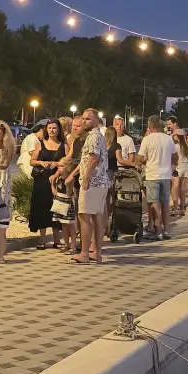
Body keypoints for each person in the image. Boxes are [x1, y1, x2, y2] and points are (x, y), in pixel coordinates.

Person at [72, 108, 110, 264]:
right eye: (84, 119)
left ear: (95, 120)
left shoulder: (94, 136)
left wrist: (86, 179)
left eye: (88, 119)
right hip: (100, 182)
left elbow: (93, 159)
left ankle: (85, 253)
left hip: (93, 182)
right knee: (96, 217)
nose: (84, 121)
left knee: (84, 216)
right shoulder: (97, 136)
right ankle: (97, 253)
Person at [136, 116, 177, 240]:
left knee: (154, 203)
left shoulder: (147, 139)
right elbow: (175, 157)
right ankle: (166, 231)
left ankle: (157, 230)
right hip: (166, 175)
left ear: (149, 126)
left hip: (152, 175)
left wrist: (144, 161)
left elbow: (140, 158)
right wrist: (171, 165)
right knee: (165, 203)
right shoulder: (168, 139)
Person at [29, 118, 66, 249]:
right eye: (49, 128)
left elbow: (68, 161)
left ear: (59, 130)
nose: (51, 130)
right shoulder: (40, 144)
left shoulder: (63, 145)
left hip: (57, 179)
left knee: (56, 207)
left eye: (54, 128)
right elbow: (32, 161)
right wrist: (41, 162)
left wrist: (57, 163)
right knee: (41, 207)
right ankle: (42, 239)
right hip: (42, 179)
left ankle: (57, 240)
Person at [171, 133, 188, 217]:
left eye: (174, 135)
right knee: (182, 188)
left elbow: (173, 157)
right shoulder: (186, 147)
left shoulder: (176, 146)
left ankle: (175, 208)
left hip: (177, 167)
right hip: (185, 167)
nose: (173, 137)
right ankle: (182, 207)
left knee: (175, 188)